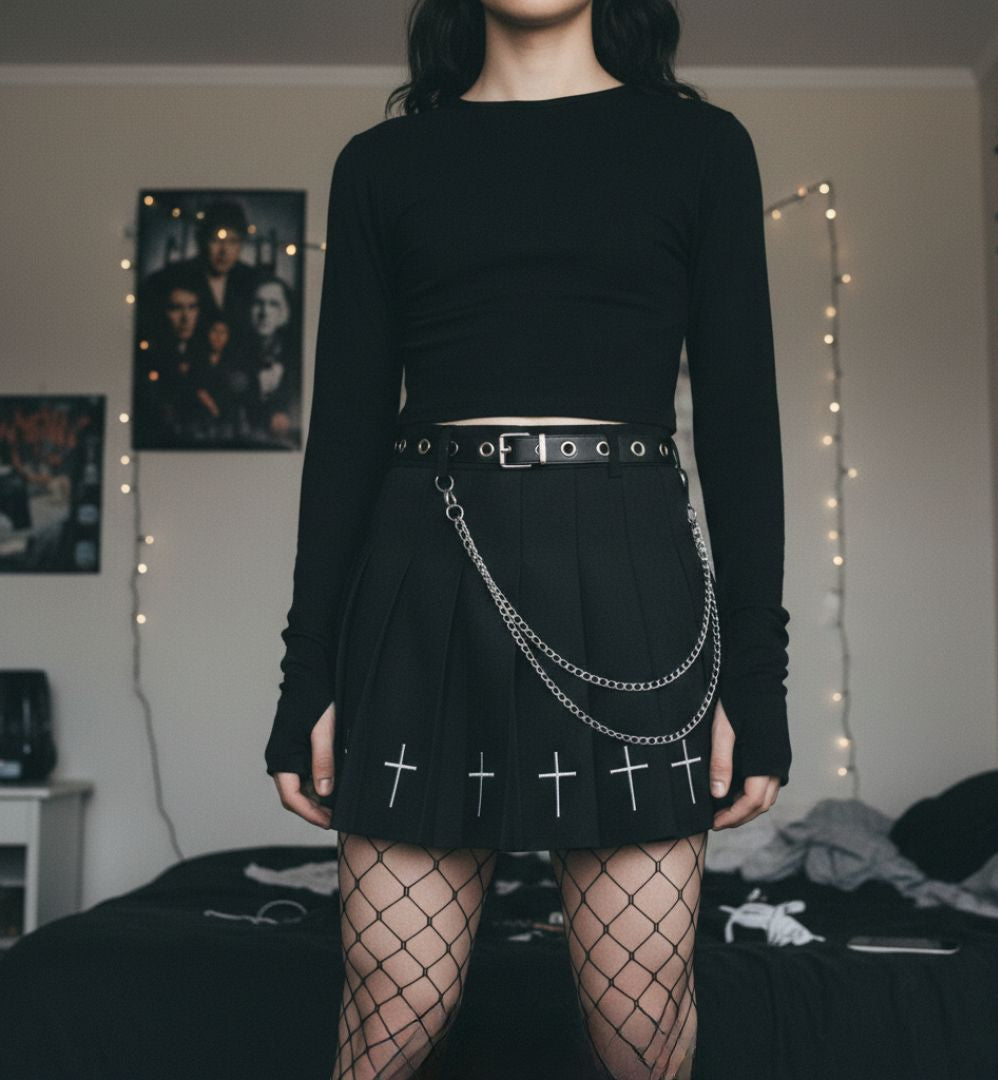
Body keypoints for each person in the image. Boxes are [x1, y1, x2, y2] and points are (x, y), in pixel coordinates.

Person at [263, 2, 792, 1077]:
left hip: (632, 570)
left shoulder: (700, 147)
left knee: (643, 1014)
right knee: (392, 1003)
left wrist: (763, 682)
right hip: (423, 576)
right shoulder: (384, 163)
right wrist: (304, 675)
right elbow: (346, 439)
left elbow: (741, 426)